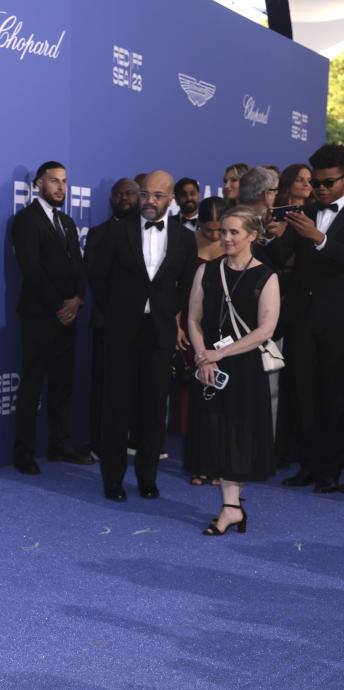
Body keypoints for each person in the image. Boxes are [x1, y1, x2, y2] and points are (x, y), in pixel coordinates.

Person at [88, 170, 198, 501]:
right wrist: (120, 309)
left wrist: (170, 311)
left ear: (171, 201)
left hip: (160, 331)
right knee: (116, 408)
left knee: (153, 409)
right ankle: (112, 480)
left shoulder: (184, 237)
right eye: (145, 194)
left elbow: (190, 283)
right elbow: (98, 277)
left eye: (157, 196)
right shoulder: (117, 232)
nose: (149, 201)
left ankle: (148, 478)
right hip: (121, 328)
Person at [187, 207, 280, 534]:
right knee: (215, 435)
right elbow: (194, 319)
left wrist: (219, 353)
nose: (225, 238)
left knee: (239, 439)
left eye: (233, 232)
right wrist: (204, 356)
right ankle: (232, 508)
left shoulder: (266, 276)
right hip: (210, 367)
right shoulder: (207, 271)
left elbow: (265, 330)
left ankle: (230, 509)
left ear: (252, 235)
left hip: (244, 367)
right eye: (223, 232)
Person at [10, 161, 91, 475]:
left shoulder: (68, 223)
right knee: (32, 386)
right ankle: (24, 453)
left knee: (62, 386)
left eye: (64, 182)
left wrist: (78, 299)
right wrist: (60, 305)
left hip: (68, 318)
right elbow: (31, 269)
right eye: (54, 181)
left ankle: (60, 445)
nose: (61, 187)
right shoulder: (25, 221)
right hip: (39, 317)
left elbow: (79, 267)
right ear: (39, 185)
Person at [272, 144, 344, 493]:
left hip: (338, 322)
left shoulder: (317, 223)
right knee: (303, 393)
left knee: (334, 395)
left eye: (329, 182)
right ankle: (308, 465)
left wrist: (319, 238)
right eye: (317, 183)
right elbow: (279, 258)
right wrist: (274, 236)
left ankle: (330, 470)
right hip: (302, 318)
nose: (321, 189)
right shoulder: (305, 212)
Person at [85, 178, 139, 459]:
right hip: (107, 321)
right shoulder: (98, 234)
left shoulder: (149, 236)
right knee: (104, 385)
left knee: (133, 385)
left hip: (141, 325)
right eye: (118, 195)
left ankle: (130, 437)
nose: (124, 198)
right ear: (111, 200)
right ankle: (99, 442)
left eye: (129, 193)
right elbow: (96, 278)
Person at [179, 197, 227, 485]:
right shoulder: (185, 242)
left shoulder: (236, 243)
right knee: (199, 394)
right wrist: (177, 323)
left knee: (223, 398)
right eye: (208, 230)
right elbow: (173, 282)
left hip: (224, 328)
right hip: (191, 322)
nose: (215, 236)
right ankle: (198, 463)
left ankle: (221, 464)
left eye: (220, 229)